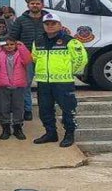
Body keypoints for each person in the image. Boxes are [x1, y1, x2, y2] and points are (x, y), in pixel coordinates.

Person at [32, 12, 88, 147]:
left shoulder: (71, 41)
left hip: (63, 82)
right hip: (44, 82)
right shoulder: (38, 41)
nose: (50, 26)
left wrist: (70, 72)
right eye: (47, 24)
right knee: (44, 109)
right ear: (43, 25)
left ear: (60, 25)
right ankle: (51, 133)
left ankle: (69, 134)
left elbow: (81, 59)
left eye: (53, 23)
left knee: (68, 109)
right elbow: (34, 58)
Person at [9, 0, 48, 121]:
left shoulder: (49, 19)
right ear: (28, 5)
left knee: (45, 84)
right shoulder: (20, 20)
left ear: (42, 5)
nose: (35, 5)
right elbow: (13, 37)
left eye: (37, 3)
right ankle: (28, 109)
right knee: (26, 84)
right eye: (32, 3)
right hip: (27, 57)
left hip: (45, 56)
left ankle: (46, 109)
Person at [0, 37, 31, 140]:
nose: (9, 46)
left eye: (11, 44)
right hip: (3, 85)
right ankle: (5, 128)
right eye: (6, 45)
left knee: (18, 107)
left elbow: (28, 60)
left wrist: (22, 47)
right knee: (3, 108)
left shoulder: (20, 54)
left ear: (15, 45)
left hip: (18, 85)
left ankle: (18, 128)